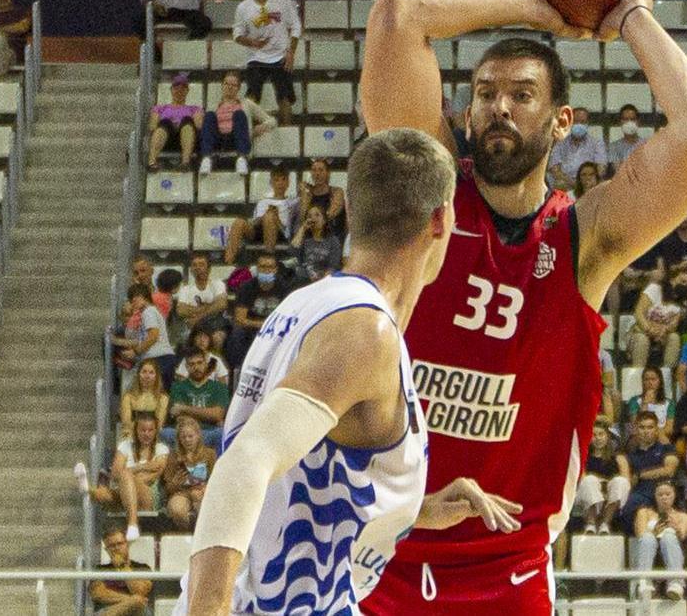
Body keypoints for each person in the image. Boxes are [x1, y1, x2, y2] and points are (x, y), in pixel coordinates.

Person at [356, 0, 687, 612]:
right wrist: (537, 2)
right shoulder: (426, 199)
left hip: (510, 564)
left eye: (522, 95)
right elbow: (397, 14)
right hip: (380, 547)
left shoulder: (587, 240)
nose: (500, 108)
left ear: (562, 121)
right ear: (467, 116)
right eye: (487, 94)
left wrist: (625, 10)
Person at [183, 129, 523, 615]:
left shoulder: (311, 302)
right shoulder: (366, 331)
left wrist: (412, 510)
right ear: (441, 220)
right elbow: (245, 462)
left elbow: (304, 473)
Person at [86, 413, 169, 543]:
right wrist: (143, 468)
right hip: (124, 494)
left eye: (150, 430)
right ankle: (87, 489)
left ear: (155, 431)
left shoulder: (161, 449)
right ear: (136, 430)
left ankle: (89, 490)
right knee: (116, 485)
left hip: (148, 495)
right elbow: (114, 474)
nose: (146, 434)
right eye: (142, 430)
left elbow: (156, 474)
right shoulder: (125, 445)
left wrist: (128, 475)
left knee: (123, 477)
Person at [233, 0, 301, 126]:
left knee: (284, 96)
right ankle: (246, 129)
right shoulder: (243, 7)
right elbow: (237, 34)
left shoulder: (282, 0)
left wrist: (291, 53)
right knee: (253, 94)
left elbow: (296, 26)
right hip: (256, 57)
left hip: (280, 56)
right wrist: (251, 42)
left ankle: (288, 132)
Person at [198, 70, 276, 175]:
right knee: (209, 115)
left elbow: (272, 120)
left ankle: (242, 158)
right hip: (218, 139)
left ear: (238, 88)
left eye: (233, 85)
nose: (229, 87)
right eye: (226, 84)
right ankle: (206, 158)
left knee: (239, 114)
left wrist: (263, 126)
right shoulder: (214, 104)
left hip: (236, 138)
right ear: (222, 85)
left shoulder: (246, 103)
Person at [223, 254, 290, 368]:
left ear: (276, 269)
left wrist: (268, 326)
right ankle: (238, 370)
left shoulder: (284, 287)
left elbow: (288, 317)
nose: (266, 270)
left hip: (276, 328)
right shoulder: (246, 287)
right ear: (257, 268)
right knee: (237, 334)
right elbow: (240, 319)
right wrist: (263, 325)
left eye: (270, 267)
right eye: (263, 267)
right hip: (249, 328)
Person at [224, 167, 298, 264]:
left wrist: (275, 217)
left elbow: (289, 227)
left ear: (288, 183)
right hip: (259, 230)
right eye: (276, 180)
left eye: (283, 179)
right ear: (271, 183)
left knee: (270, 217)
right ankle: (228, 261)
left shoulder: (293, 202)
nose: (280, 183)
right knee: (239, 222)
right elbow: (254, 223)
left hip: (282, 232)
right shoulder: (263, 202)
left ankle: (269, 259)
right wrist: (264, 216)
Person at [631, 482, 687, 601]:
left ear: (674, 495)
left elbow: (683, 536)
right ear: (655, 496)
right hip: (649, 551)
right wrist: (654, 531)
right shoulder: (644, 512)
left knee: (668, 536)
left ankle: (676, 583)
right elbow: (640, 534)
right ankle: (644, 582)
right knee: (648, 537)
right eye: (660, 495)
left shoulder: (682, 516)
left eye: (668, 494)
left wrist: (676, 528)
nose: (664, 498)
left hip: (673, 552)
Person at [621, 411, 679, 525]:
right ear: (636, 430)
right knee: (627, 504)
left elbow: (669, 470)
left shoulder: (667, 449)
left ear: (657, 430)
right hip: (639, 494)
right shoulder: (630, 455)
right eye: (642, 427)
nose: (646, 431)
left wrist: (640, 475)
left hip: (663, 493)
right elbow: (629, 482)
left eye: (650, 427)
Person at [573, 417, 629, 534]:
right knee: (589, 480)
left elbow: (626, 481)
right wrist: (602, 483)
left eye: (601, 434)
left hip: (611, 496)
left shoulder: (619, 458)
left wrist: (605, 486)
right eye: (594, 435)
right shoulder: (583, 457)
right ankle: (591, 523)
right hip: (587, 496)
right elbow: (582, 480)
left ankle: (605, 523)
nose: (597, 438)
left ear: (607, 436)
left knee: (620, 482)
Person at [112, 283, 176, 385]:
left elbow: (153, 336)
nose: (133, 304)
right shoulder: (147, 313)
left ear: (142, 296)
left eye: (135, 300)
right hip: (159, 359)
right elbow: (143, 339)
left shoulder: (148, 312)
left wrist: (136, 352)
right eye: (131, 301)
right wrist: (118, 342)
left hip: (160, 359)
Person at [165, 348, 230, 448]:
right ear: (187, 367)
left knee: (221, 433)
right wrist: (209, 416)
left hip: (210, 433)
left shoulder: (219, 387)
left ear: (206, 364)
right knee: (166, 433)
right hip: (185, 433)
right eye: (192, 364)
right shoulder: (177, 387)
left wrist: (184, 408)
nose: (196, 367)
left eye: (199, 363)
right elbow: (180, 418)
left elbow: (217, 415)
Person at [163, 415, 217, 530]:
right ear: (179, 439)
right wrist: (175, 483)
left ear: (198, 436)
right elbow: (168, 489)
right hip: (181, 493)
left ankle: (203, 532)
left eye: (190, 436)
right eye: (183, 437)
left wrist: (206, 486)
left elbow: (216, 479)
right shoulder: (173, 456)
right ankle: (188, 532)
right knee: (176, 509)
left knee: (197, 495)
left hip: (202, 491)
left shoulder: (210, 454)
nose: (187, 440)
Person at [91, 528, 153, 616]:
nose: (116, 548)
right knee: (138, 602)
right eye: (111, 546)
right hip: (109, 609)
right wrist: (133, 600)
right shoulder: (100, 569)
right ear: (106, 550)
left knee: (140, 607)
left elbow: (140, 591)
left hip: (137, 611)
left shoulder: (142, 568)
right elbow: (98, 594)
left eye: (119, 544)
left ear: (127, 544)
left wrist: (122, 566)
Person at [148, 73, 204, 170]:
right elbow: (153, 127)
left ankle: (185, 162)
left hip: (187, 137)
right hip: (166, 137)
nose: (179, 91)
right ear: (171, 90)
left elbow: (198, 126)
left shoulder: (194, 109)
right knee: (165, 122)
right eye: (176, 88)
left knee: (187, 121)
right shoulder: (160, 108)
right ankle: (152, 162)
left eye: (183, 89)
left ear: (187, 91)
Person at [547, 107, 606, 190]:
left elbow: (601, 170)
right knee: (558, 183)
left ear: (587, 124)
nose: (579, 125)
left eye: (582, 122)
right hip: (566, 184)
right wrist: (574, 184)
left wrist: (585, 182)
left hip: (589, 184)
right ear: (570, 122)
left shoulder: (597, 144)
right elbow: (555, 170)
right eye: (576, 121)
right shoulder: (560, 144)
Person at [176, 253, 229, 344]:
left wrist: (198, 317)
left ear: (209, 269)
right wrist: (209, 307)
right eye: (194, 265)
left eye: (201, 264)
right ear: (191, 270)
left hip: (215, 325)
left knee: (217, 338)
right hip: (193, 327)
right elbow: (181, 310)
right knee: (186, 337)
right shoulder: (185, 289)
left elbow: (221, 304)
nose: (197, 267)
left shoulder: (217, 284)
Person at [297, 158, 347, 241]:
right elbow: (302, 219)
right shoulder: (307, 194)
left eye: (321, 170)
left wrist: (313, 219)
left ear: (327, 173)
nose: (317, 173)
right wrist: (305, 196)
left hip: (331, 237)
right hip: (310, 238)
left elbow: (330, 214)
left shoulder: (336, 191)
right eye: (314, 170)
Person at [119, 360, 170, 440]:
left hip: (153, 435)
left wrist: (145, 431)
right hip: (131, 434)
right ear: (138, 375)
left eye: (151, 373)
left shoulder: (163, 398)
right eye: (144, 372)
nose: (147, 376)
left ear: (157, 376)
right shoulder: (128, 397)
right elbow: (126, 423)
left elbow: (159, 424)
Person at [291, 205, 343, 282]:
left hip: (325, 279)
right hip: (304, 278)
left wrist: (322, 282)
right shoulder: (303, 238)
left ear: (324, 220)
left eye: (317, 215)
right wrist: (303, 228)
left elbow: (333, 265)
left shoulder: (333, 240)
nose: (313, 218)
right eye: (309, 216)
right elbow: (292, 253)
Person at [625, 372, 675, 444]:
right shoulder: (634, 401)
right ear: (642, 382)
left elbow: (669, 428)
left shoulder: (669, 403)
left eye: (653, 379)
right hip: (640, 434)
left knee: (663, 438)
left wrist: (653, 431)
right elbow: (636, 425)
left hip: (661, 435)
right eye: (646, 379)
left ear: (660, 382)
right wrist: (645, 403)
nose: (650, 382)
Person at [606, 104, 645, 173]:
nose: (629, 122)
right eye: (625, 119)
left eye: (632, 119)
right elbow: (619, 171)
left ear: (638, 122)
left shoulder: (647, 145)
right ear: (620, 122)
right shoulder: (613, 147)